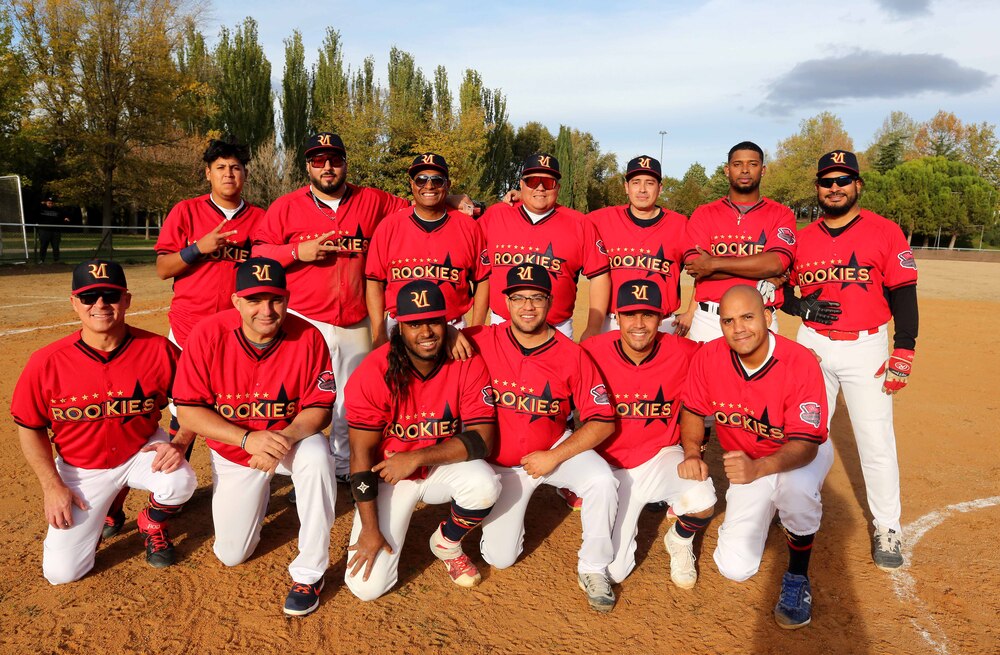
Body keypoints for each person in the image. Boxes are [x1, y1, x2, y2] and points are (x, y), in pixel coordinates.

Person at [253, 133, 476, 481]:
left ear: (345, 163)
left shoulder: (373, 200)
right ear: (307, 166)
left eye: (335, 159)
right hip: (303, 318)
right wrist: (297, 252)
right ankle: (293, 468)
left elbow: (421, 201)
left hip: (355, 319)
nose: (327, 167)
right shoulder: (286, 206)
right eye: (318, 160)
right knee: (299, 397)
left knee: (350, 397)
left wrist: (455, 198)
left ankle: (342, 468)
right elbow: (258, 253)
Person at [97, 137, 263, 539]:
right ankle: (115, 504)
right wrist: (199, 248)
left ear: (245, 173)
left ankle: (166, 503)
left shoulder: (260, 217)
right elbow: (162, 268)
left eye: (236, 167)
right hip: (188, 333)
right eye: (221, 167)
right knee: (178, 416)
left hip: (237, 337)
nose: (229, 173)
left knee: (232, 410)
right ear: (208, 173)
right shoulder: (187, 211)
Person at [11, 260, 196, 584]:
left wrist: (179, 443)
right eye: (89, 297)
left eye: (110, 295)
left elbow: (195, 404)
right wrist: (52, 485)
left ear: (126, 299)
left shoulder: (158, 350)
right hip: (81, 470)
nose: (100, 304)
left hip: (141, 450)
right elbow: (30, 427)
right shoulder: (47, 362)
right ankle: (109, 507)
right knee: (62, 574)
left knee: (179, 481)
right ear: (74, 303)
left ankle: (152, 522)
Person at [173, 258, 338, 617]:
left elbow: (320, 407)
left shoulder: (309, 336)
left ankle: (310, 572)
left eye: (275, 299)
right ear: (236, 301)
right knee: (232, 555)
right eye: (254, 300)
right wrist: (248, 440)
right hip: (235, 450)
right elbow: (188, 412)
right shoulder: (207, 334)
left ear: (287, 298)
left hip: (289, 441)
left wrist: (283, 438)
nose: (266, 310)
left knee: (318, 455)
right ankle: (257, 494)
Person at [783, 150, 918, 570]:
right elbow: (783, 293)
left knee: (875, 439)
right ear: (818, 189)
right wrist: (801, 308)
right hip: (813, 344)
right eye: (827, 181)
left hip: (866, 347)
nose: (835, 187)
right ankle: (793, 508)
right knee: (806, 431)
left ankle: (888, 525)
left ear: (858, 185)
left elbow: (903, 292)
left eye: (843, 180)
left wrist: (905, 349)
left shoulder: (884, 231)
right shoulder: (803, 238)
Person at [467, 263, 619, 612]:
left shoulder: (571, 354)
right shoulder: (478, 339)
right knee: (500, 557)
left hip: (550, 451)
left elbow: (602, 422)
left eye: (536, 297)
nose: (527, 306)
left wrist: (555, 456)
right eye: (518, 297)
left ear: (550, 302)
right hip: (498, 467)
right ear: (505, 302)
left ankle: (594, 568)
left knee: (600, 478)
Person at [679, 285, 832, 629]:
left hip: (798, 452)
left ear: (767, 316)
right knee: (735, 568)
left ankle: (797, 576)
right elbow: (692, 409)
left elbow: (806, 444)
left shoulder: (799, 361)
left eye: (748, 317)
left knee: (797, 492)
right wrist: (692, 450)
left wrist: (758, 468)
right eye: (728, 320)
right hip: (748, 461)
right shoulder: (709, 356)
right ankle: (771, 508)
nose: (738, 328)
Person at [343, 280, 499, 600]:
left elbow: (483, 440)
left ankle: (447, 541)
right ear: (399, 326)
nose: (425, 331)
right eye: (414, 323)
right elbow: (360, 454)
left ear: (447, 322)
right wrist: (371, 529)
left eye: (433, 320)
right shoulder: (374, 370)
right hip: (389, 476)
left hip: (433, 466)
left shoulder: (465, 360)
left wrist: (416, 457)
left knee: (485, 484)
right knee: (367, 589)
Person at [582, 280, 715, 587]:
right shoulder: (592, 350)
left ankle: (680, 539)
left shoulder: (684, 351)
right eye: (630, 315)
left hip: (658, 458)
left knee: (702, 495)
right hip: (609, 470)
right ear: (617, 316)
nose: (639, 324)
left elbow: (738, 347)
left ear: (661, 317)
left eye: (648, 315)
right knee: (614, 571)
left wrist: (797, 355)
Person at [478, 153, 610, 341]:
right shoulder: (496, 215)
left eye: (548, 182)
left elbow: (600, 275)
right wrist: (453, 201)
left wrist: (593, 327)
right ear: (521, 185)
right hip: (502, 325)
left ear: (558, 187)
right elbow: (462, 241)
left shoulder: (579, 224)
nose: (540, 187)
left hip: (556, 329)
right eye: (533, 181)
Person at [365, 152, 490, 347]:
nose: (429, 186)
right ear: (412, 184)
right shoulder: (389, 226)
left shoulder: (468, 227)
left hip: (453, 330)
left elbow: (482, 279)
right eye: (421, 180)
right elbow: (374, 280)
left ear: (447, 185)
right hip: (399, 326)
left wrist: (476, 330)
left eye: (437, 180)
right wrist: (379, 333)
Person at [683, 141, 797, 343]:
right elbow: (696, 267)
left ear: (763, 170)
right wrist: (759, 270)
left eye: (752, 164)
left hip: (762, 316)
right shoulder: (704, 213)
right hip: (710, 318)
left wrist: (714, 264)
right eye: (737, 164)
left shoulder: (781, 213)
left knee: (761, 375)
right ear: (727, 170)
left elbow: (775, 263)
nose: (745, 170)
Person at [588, 156, 691, 336]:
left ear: (660, 188)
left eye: (649, 183)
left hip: (662, 323)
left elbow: (705, 268)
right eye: (636, 182)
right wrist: (522, 201)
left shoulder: (680, 224)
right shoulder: (601, 219)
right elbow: (563, 221)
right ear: (626, 187)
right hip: (612, 322)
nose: (642, 189)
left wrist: (691, 312)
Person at [36, 195, 70, 263]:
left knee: (56, 246)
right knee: (43, 246)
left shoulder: (57, 210)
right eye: (49, 203)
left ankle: (56, 260)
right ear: (46, 202)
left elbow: (63, 215)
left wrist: (65, 218)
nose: (50, 204)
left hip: (55, 231)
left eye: (51, 203)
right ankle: (42, 260)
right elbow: (34, 212)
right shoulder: (41, 208)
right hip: (44, 230)